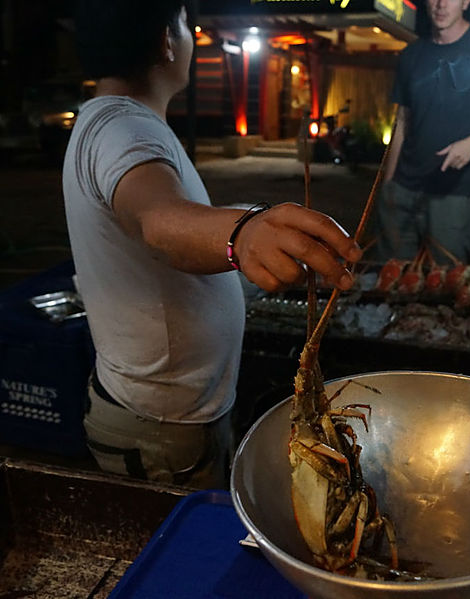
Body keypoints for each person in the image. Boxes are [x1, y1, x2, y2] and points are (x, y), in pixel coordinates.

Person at [65, 0, 362, 489]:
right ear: (165, 41)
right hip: (162, 425)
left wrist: (247, 220)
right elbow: (159, 220)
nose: (193, 37)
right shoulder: (122, 128)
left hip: (171, 413)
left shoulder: (112, 121)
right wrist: (243, 233)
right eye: (187, 25)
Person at [376, 0, 470, 264]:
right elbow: (402, 121)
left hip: (455, 191)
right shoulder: (411, 55)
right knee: (392, 277)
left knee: (444, 281)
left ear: (466, 2)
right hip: (403, 188)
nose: (441, 5)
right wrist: (388, 183)